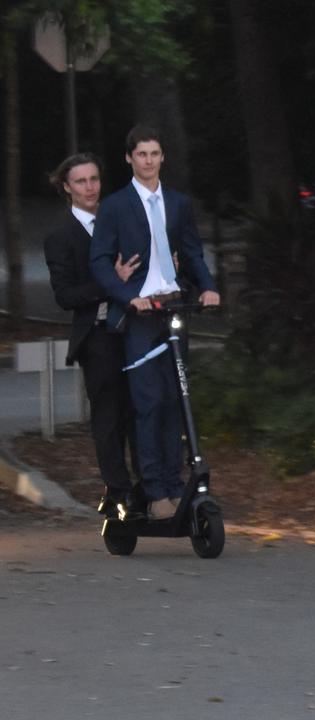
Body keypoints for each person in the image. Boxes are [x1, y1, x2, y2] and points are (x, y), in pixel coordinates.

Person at [89, 125, 221, 521]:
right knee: (149, 404)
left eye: (155, 153)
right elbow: (99, 261)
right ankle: (154, 490)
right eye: (141, 154)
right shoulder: (115, 206)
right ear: (129, 158)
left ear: (163, 157)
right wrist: (129, 296)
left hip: (173, 307)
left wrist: (208, 287)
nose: (149, 160)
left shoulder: (178, 203)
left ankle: (174, 482)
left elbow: (193, 252)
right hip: (140, 316)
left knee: (175, 402)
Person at [43, 153, 144, 519]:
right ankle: (118, 492)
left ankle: (148, 485)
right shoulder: (60, 237)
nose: (90, 187)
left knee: (144, 408)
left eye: (95, 179)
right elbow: (65, 296)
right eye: (81, 181)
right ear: (67, 187)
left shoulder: (119, 221)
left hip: (136, 328)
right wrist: (109, 281)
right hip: (99, 334)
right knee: (110, 415)